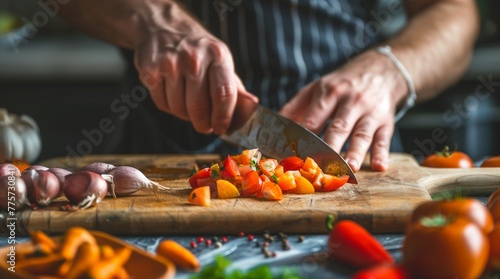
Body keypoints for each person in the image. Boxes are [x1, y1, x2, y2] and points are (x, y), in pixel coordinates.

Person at [58, 0, 479, 172]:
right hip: (155, 155)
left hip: (349, 151)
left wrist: (390, 69)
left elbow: (455, 10)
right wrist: (153, 19)